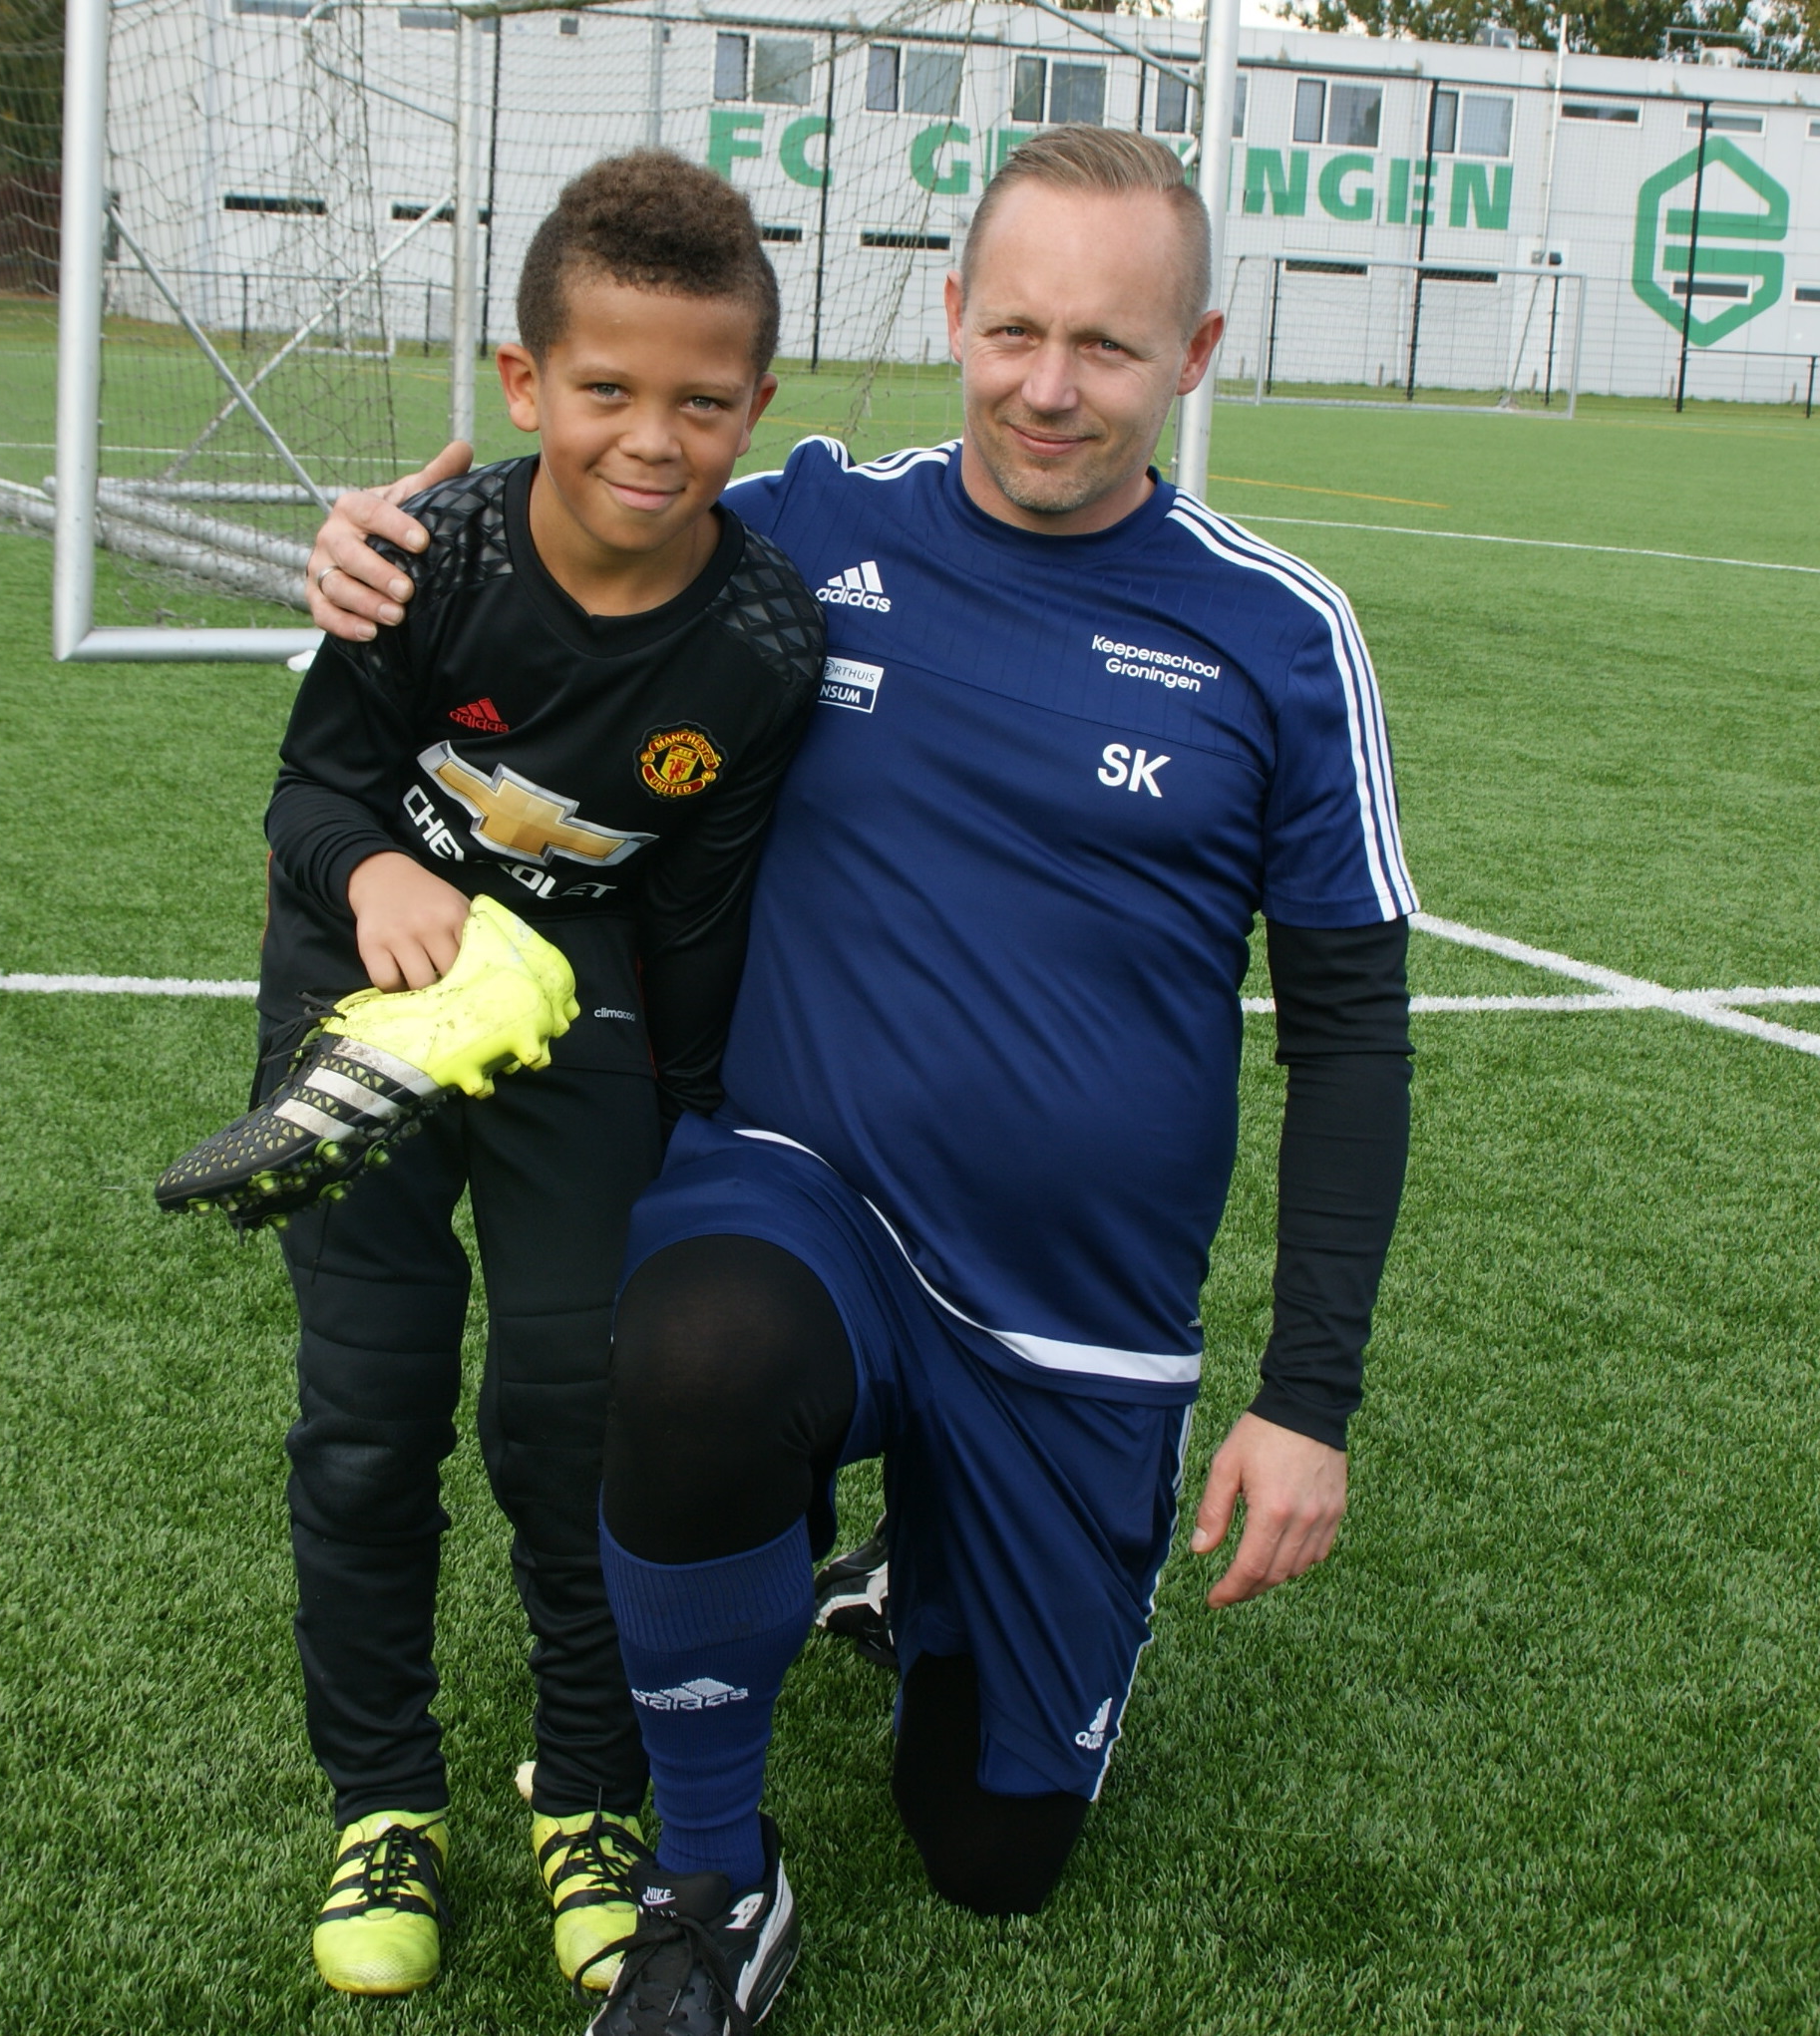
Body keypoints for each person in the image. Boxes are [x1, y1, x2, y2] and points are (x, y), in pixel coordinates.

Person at [309, 127, 1415, 2036]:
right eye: (1015, 331)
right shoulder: (811, 528)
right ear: (955, 314)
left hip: (1071, 1306)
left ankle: (927, 1570)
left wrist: (1306, 1398)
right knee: (697, 1352)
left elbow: (1352, 1037)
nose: (1049, 387)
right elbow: (590, 495)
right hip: (800, 1195)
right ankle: (713, 1875)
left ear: (1196, 354)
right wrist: (377, 546)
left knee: (993, 1851)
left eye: (1108, 346)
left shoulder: (1279, 638)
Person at [246, 152, 821, 2001]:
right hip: (368, 992)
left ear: (756, 403)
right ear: (524, 381)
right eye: (606, 388)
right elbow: (313, 790)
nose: (653, 437)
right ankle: (382, 1801)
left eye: (702, 400)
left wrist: (700, 1121)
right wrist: (377, 872)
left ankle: (584, 1791)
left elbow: (702, 914)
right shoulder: (435, 557)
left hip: (578, 1026)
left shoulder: (760, 644)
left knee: (578, 1414)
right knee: (369, 1414)